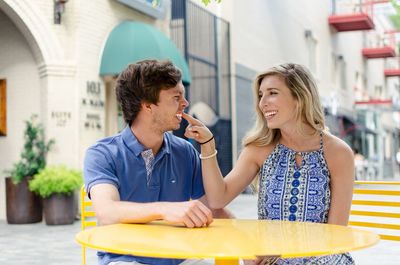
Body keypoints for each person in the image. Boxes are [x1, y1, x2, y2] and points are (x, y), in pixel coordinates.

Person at [183, 63, 355, 265]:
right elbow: (218, 199)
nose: (262, 103)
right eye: (260, 95)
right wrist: (207, 145)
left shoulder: (338, 153)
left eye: (272, 93)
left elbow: (336, 233)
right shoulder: (259, 148)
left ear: (299, 98)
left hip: (324, 255)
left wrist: (287, 254)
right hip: (270, 256)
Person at [84, 59, 228, 265]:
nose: (185, 104)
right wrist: (166, 209)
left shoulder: (185, 151)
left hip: (179, 259)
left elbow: (213, 208)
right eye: (176, 97)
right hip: (125, 260)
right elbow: (107, 212)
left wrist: (251, 247)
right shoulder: (102, 153)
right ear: (147, 105)